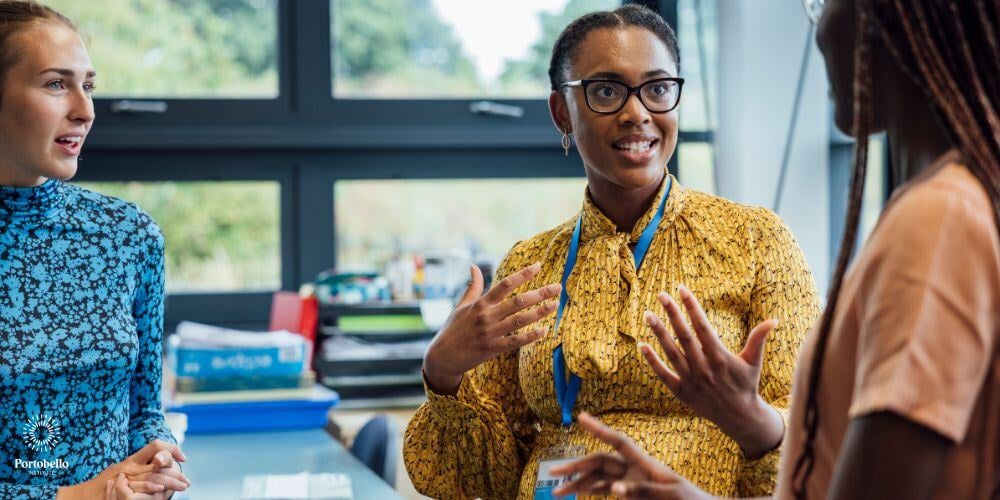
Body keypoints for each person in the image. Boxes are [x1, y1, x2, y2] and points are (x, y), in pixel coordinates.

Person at [552, 0, 1000, 498]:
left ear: (885, 19)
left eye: (824, 3)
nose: (817, 27)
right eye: (607, 91)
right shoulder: (942, 207)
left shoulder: (938, 221)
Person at [402, 4, 821, 498]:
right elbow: (483, 478)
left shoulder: (755, 240)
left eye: (658, 89)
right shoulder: (529, 266)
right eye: (606, 91)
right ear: (562, 111)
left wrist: (751, 418)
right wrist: (443, 372)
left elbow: (818, 442)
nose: (637, 113)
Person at [0, 2, 191, 498]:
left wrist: (157, 460)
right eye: (55, 84)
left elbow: (144, 409)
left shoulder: (129, 235)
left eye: (88, 85)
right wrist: (72, 496)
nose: (85, 111)